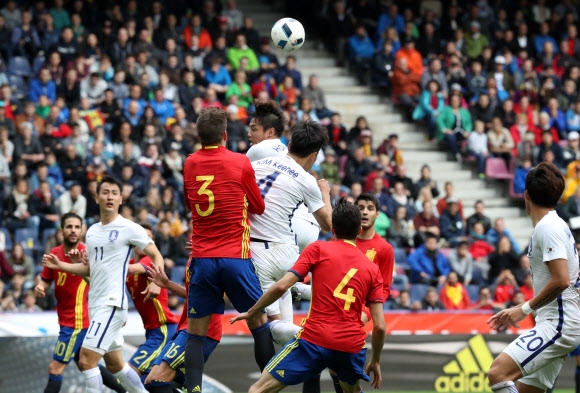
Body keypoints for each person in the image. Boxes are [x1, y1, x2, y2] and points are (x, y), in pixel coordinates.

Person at [230, 200, 385, 393]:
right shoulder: (372, 269)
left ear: (333, 228)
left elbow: (281, 287)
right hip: (348, 345)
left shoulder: (318, 249)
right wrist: (375, 361)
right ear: (359, 231)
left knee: (258, 389)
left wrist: (252, 312)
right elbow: (379, 326)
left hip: (313, 339)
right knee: (351, 391)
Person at [42, 175, 167, 393]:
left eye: (114, 193)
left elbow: (157, 256)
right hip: (97, 305)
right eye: (105, 192)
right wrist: (60, 265)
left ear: (121, 199)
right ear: (97, 197)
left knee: (86, 360)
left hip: (111, 305)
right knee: (115, 365)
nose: (110, 197)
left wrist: (157, 281)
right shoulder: (92, 231)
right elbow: (90, 270)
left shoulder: (129, 228)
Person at [182, 108, 274, 393]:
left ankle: (193, 390)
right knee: (259, 322)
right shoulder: (239, 162)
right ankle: (268, 387)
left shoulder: (189, 163)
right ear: (224, 136)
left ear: (199, 137)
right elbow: (258, 206)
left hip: (202, 259)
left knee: (195, 333)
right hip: (236, 257)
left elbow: (191, 204)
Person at [487, 162, 580, 393]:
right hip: (557, 321)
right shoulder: (557, 225)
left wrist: (522, 309)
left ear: (526, 194)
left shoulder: (548, 228)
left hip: (559, 325)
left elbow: (561, 280)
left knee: (498, 373)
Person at [250, 119, 332, 345]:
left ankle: (309, 338)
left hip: (256, 251)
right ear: (314, 156)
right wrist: (325, 192)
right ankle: (305, 306)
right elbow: (328, 225)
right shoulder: (308, 180)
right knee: (283, 320)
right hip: (287, 253)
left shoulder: (258, 164)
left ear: (290, 144)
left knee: (272, 325)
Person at [35, 212, 125, 393]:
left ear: (82, 230)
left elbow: (99, 282)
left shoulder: (88, 254)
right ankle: (127, 390)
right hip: (66, 320)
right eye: (69, 226)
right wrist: (40, 286)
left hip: (76, 322)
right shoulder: (54, 253)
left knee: (55, 368)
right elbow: (46, 278)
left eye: (77, 227)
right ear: (61, 231)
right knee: (86, 364)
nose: (73, 230)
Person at [246, 101, 322, 254]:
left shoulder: (257, 150)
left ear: (270, 132)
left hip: (287, 226)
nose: (249, 134)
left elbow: (235, 178)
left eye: (254, 129)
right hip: (309, 226)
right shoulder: (285, 149)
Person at [125, 223, 179, 376]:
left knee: (131, 373)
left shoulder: (149, 261)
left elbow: (131, 270)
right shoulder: (128, 264)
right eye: (141, 237)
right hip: (152, 330)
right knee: (151, 382)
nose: (144, 241)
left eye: (148, 239)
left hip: (163, 329)